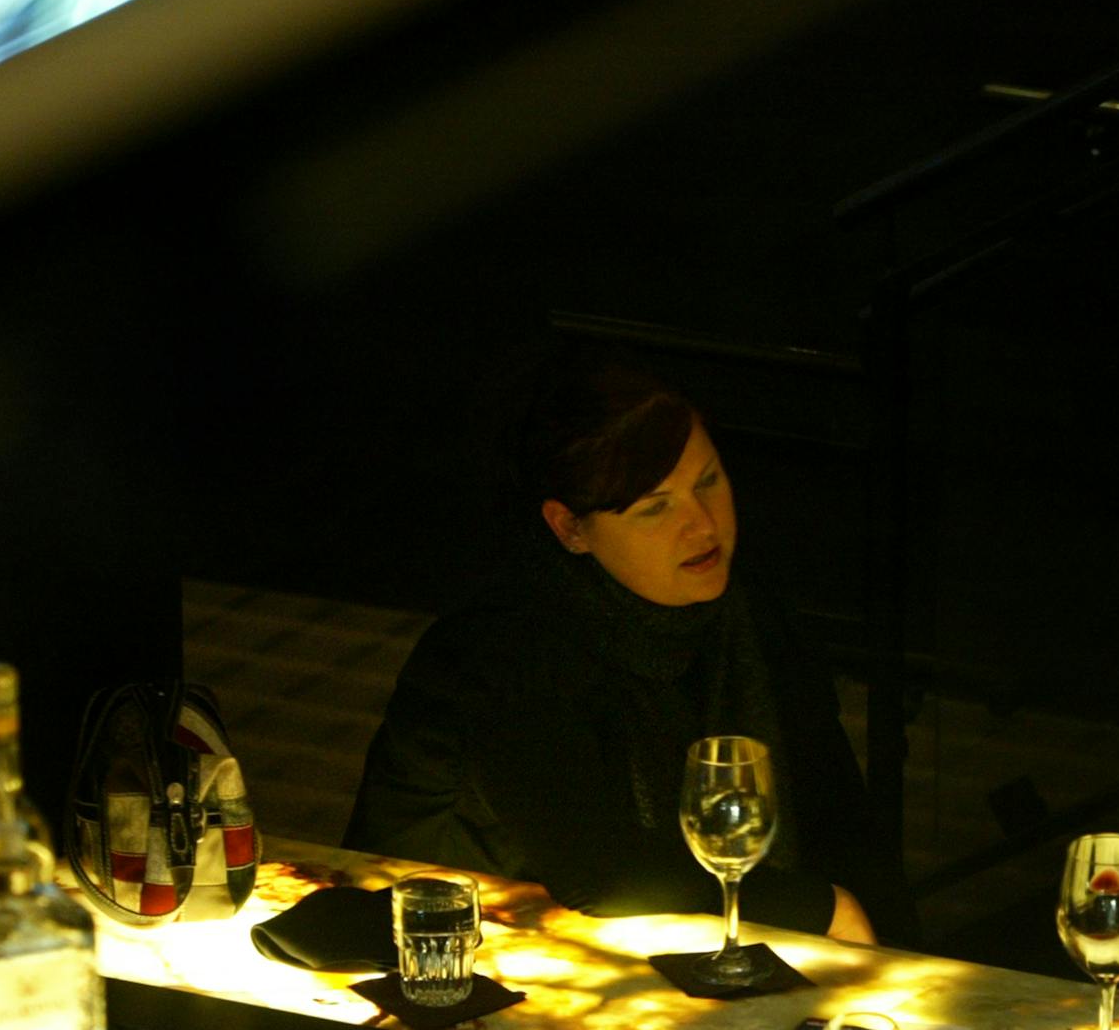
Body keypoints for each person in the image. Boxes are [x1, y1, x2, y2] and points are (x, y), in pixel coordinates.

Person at [345, 349, 912, 946]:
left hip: (640, 943)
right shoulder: (504, 645)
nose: (703, 525)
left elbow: (841, 818)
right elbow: (602, 872)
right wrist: (818, 907)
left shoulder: (748, 613)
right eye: (654, 508)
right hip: (449, 950)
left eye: (709, 481)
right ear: (569, 528)